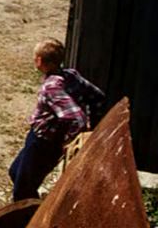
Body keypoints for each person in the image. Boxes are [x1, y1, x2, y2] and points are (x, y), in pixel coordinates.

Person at [8, 38, 105, 202]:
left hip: (44, 142)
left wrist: (69, 139)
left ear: (39, 61)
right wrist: (93, 121)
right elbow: (97, 97)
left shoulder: (51, 87)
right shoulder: (71, 75)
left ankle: (29, 218)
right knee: (15, 172)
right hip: (40, 137)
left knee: (23, 189)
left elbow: (77, 118)